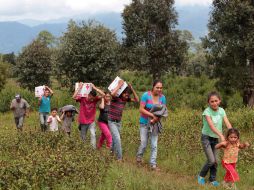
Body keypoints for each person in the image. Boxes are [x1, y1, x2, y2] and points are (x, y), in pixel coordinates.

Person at [198, 91, 232, 187]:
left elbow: (227, 123)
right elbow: (211, 126)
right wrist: (221, 135)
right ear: (209, 102)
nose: (214, 103)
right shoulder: (207, 112)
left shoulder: (222, 111)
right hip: (206, 138)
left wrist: (232, 133)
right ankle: (201, 176)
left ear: (219, 101)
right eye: (212, 101)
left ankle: (212, 179)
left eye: (216, 101)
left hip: (215, 139)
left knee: (215, 161)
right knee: (211, 160)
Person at [136, 80, 167, 171]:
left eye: (161, 88)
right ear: (153, 87)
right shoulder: (146, 95)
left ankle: (153, 164)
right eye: (157, 87)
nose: (159, 89)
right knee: (143, 143)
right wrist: (152, 115)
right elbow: (141, 109)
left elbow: (163, 110)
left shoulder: (162, 98)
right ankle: (139, 158)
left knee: (154, 145)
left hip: (155, 124)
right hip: (144, 123)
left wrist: (156, 119)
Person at [108, 80, 139, 160]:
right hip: (111, 121)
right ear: (122, 92)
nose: (127, 96)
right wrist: (119, 85)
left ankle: (111, 154)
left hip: (118, 122)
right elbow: (112, 93)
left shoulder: (126, 99)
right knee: (117, 139)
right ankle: (119, 158)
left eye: (128, 95)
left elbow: (136, 100)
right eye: (126, 94)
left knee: (115, 140)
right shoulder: (116, 97)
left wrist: (132, 89)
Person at [73, 83, 105, 148]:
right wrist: (79, 87)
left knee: (93, 134)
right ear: (89, 95)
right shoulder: (82, 98)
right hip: (83, 121)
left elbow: (103, 95)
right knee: (83, 137)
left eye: (93, 98)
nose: (92, 99)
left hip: (91, 121)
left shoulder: (95, 99)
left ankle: (93, 149)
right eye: (91, 98)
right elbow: (73, 97)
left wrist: (95, 88)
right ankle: (84, 150)